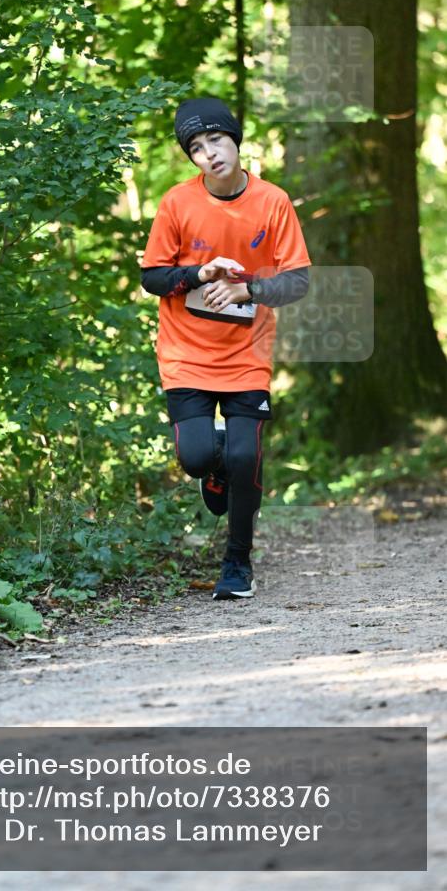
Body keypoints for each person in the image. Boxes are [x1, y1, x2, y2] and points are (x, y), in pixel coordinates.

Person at [140, 97, 312, 600]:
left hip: (246, 355)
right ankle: (212, 471)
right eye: (196, 147)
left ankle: (237, 563)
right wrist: (199, 273)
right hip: (186, 353)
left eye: (216, 139)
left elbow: (297, 281)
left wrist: (248, 290)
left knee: (246, 457)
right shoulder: (177, 203)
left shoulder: (272, 201)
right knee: (197, 457)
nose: (210, 153)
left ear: (235, 139)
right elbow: (152, 277)